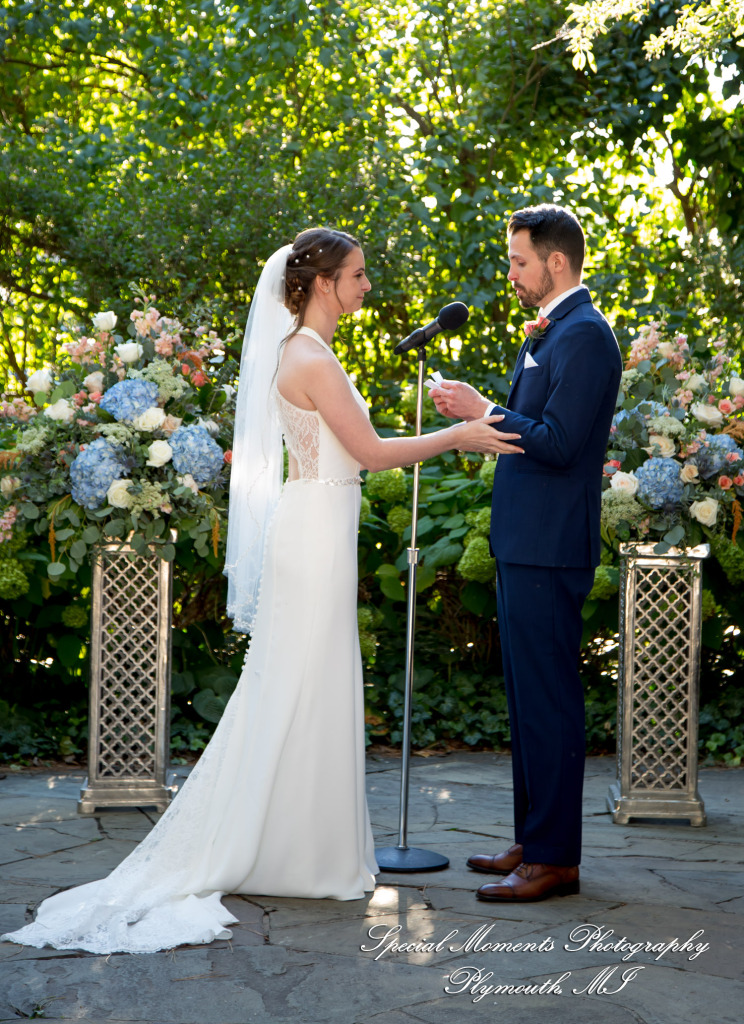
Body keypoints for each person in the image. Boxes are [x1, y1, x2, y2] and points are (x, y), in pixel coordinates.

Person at [1, 227, 520, 954]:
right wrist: (458, 437)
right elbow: (369, 453)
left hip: (318, 526)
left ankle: (299, 851)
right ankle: (298, 855)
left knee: (307, 685)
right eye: (358, 274)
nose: (367, 285)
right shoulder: (309, 356)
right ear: (322, 283)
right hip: (313, 533)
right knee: (300, 683)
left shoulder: (308, 352)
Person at [430, 204, 622, 903]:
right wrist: (480, 415)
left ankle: (555, 860)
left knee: (549, 701)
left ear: (556, 262)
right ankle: (533, 838)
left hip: (550, 544)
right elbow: (535, 431)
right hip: (524, 540)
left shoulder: (586, 335)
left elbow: (561, 443)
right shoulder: (553, 328)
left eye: (519, 261)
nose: (510, 273)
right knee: (526, 699)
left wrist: (483, 409)